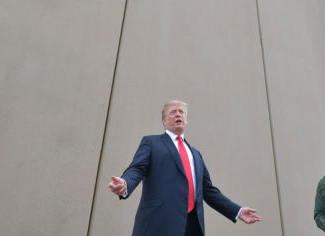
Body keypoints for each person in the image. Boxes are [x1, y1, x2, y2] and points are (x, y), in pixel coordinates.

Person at [109, 100, 261, 236]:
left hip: (191, 226)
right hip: (159, 223)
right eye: (173, 112)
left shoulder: (196, 154)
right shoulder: (152, 143)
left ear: (186, 120)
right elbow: (137, 169)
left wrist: (237, 211)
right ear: (164, 121)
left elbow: (208, 190)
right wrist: (125, 183)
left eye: (181, 112)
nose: (178, 114)